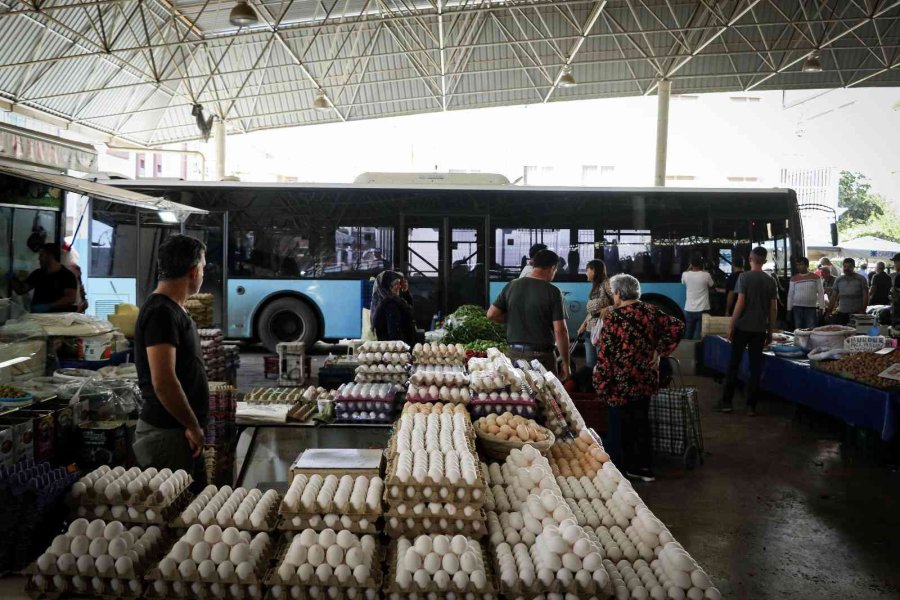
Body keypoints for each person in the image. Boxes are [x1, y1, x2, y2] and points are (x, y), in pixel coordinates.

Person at [132, 235, 209, 491]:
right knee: (177, 516)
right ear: (194, 270)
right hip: (167, 434)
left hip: (177, 433)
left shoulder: (173, 309)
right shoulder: (161, 313)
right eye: (204, 267)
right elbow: (163, 381)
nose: (203, 273)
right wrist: (192, 425)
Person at [593, 274, 684, 482]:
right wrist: (659, 351)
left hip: (620, 381)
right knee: (641, 422)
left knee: (619, 425)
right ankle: (644, 469)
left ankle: (619, 471)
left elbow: (605, 354)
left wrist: (600, 381)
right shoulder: (652, 311)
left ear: (618, 293)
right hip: (645, 379)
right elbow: (677, 326)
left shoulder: (614, 318)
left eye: (613, 292)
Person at [488, 249, 570, 379]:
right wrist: (566, 363)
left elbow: (491, 314)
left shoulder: (512, 285)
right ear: (552, 268)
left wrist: (512, 319)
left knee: (518, 397)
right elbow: (560, 330)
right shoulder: (553, 292)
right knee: (544, 397)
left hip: (513, 355)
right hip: (541, 359)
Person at [718, 246, 777, 416]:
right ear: (765, 261)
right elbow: (773, 309)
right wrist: (770, 331)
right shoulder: (770, 280)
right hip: (759, 330)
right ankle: (751, 406)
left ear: (750, 258)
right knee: (755, 366)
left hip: (742, 327)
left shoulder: (744, 277)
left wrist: (731, 324)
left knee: (734, 364)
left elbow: (740, 303)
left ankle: (727, 402)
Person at [10, 243, 78, 313]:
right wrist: (12, 278)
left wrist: (48, 306)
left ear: (50, 256)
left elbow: (70, 299)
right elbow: (21, 290)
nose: (39, 258)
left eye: (41, 255)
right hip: (37, 318)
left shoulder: (67, 276)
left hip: (57, 319)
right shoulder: (38, 274)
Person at [576, 259, 614, 368]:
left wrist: (607, 309)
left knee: (602, 365)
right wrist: (582, 325)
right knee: (590, 365)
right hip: (589, 331)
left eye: (587, 270)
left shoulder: (607, 283)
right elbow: (592, 313)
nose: (586, 273)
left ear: (594, 270)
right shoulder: (595, 287)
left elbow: (620, 303)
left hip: (602, 331)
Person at [371, 270, 417, 346]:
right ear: (388, 286)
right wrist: (403, 349)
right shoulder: (390, 304)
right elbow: (393, 333)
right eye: (396, 284)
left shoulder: (393, 300)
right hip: (394, 349)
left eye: (399, 283)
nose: (399, 286)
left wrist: (405, 292)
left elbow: (408, 311)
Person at [826, 258, 869, 325]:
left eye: (849, 267)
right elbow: (833, 297)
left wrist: (863, 310)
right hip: (842, 313)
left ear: (853, 267)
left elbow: (866, 295)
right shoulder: (839, 280)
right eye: (845, 266)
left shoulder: (861, 279)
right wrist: (829, 311)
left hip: (857, 313)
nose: (846, 269)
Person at [787, 257, 825, 330]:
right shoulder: (794, 278)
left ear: (807, 265)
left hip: (811, 308)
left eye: (801, 264)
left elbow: (821, 293)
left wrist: (821, 308)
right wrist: (789, 310)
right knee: (799, 331)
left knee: (811, 331)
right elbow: (790, 295)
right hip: (797, 308)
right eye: (797, 265)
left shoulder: (816, 277)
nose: (798, 267)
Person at [681, 256, 714, 339]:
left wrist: (690, 267)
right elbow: (711, 285)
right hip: (703, 309)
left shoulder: (685, 274)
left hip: (689, 309)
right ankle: (698, 351)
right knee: (700, 334)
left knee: (688, 332)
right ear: (701, 264)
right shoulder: (706, 275)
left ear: (691, 264)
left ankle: (687, 350)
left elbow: (683, 282)